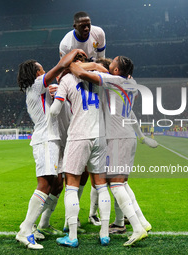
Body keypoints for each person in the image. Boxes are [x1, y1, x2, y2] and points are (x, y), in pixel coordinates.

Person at [68, 56, 154, 246]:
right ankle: (142, 222)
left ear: (115, 71)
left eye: (113, 62)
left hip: (116, 137)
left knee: (116, 185)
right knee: (121, 183)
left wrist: (73, 64)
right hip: (127, 136)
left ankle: (137, 227)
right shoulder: (132, 83)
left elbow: (80, 73)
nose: (111, 63)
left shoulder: (112, 80)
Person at [15, 49, 87, 250]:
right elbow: (61, 67)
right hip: (46, 139)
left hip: (53, 139)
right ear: (36, 73)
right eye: (41, 69)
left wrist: (56, 92)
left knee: (55, 185)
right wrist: (74, 52)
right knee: (45, 184)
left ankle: (35, 225)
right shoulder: (37, 84)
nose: (45, 71)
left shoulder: (40, 89)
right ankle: (25, 230)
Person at [50, 59, 111, 248]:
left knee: (72, 187)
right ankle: (104, 234)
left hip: (78, 136)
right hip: (100, 135)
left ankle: (73, 236)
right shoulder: (101, 75)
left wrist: (54, 96)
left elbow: (54, 111)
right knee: (101, 186)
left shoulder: (66, 79)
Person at [60, 11, 106, 226]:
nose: (87, 29)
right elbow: (66, 67)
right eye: (83, 26)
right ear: (74, 25)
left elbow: (100, 63)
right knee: (100, 180)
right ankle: (104, 226)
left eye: (89, 24)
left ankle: (73, 226)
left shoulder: (99, 34)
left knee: (74, 180)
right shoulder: (66, 43)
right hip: (95, 128)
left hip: (81, 131)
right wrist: (94, 67)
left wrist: (89, 67)